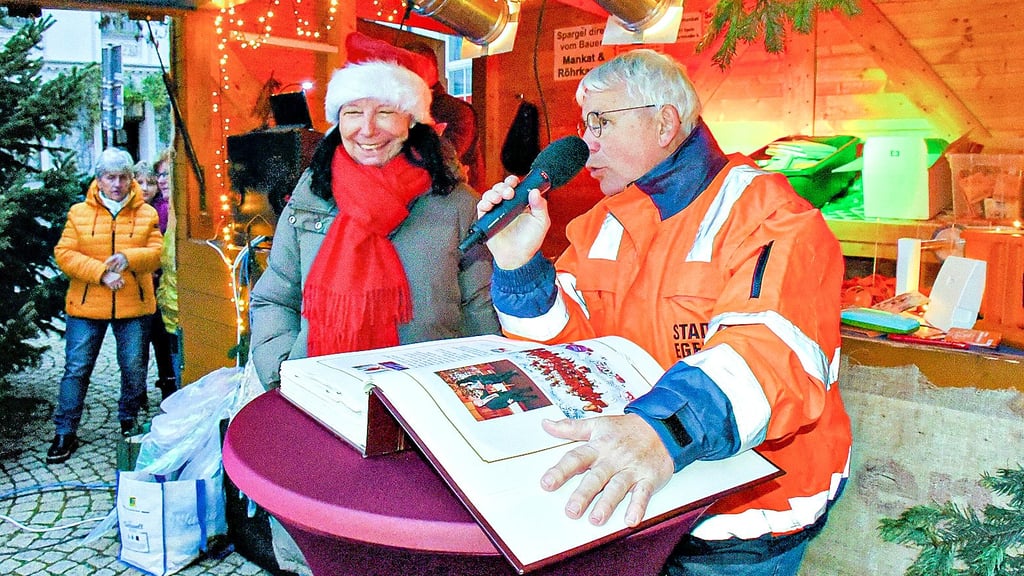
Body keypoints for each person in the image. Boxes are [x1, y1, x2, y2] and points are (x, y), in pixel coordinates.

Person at [476, 49, 852, 575]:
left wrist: (659, 431)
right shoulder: (599, 222)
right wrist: (520, 270)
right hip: (632, 507)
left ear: (664, 122)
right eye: (585, 124)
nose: (586, 143)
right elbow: (568, 356)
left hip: (738, 526)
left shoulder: (773, 216)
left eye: (602, 122)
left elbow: (768, 356)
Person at [249, 31, 500, 388]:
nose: (367, 129)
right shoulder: (311, 196)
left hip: (427, 404)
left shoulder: (458, 204)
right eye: (353, 112)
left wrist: (473, 395)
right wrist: (284, 372)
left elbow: (480, 311)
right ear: (339, 121)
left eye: (385, 112)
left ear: (411, 121)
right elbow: (274, 298)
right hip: (321, 398)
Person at [48, 147, 163, 464]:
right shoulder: (78, 213)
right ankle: (65, 431)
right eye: (110, 177)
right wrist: (101, 274)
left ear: (131, 179)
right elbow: (65, 254)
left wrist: (128, 259)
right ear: (98, 180)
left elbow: (156, 253)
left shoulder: (147, 214)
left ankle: (130, 419)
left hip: (133, 304)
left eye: (123, 177)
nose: (117, 184)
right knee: (76, 369)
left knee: (134, 367)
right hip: (87, 306)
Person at [404, 40, 486, 192]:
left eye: (413, 69)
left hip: (457, 203)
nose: (408, 77)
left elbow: (443, 162)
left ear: (432, 70)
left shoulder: (457, 112)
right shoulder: (402, 110)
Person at [136, 153, 177, 399]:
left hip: (163, 292)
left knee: (163, 343)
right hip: (145, 292)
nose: (157, 183)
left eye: (164, 175)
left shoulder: (165, 210)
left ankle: (169, 388)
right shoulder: (138, 211)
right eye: (158, 175)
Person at [152, 148, 181, 393]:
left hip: (184, 316)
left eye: (167, 174)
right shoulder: (167, 213)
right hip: (168, 312)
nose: (161, 180)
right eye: (158, 175)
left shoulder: (184, 215)